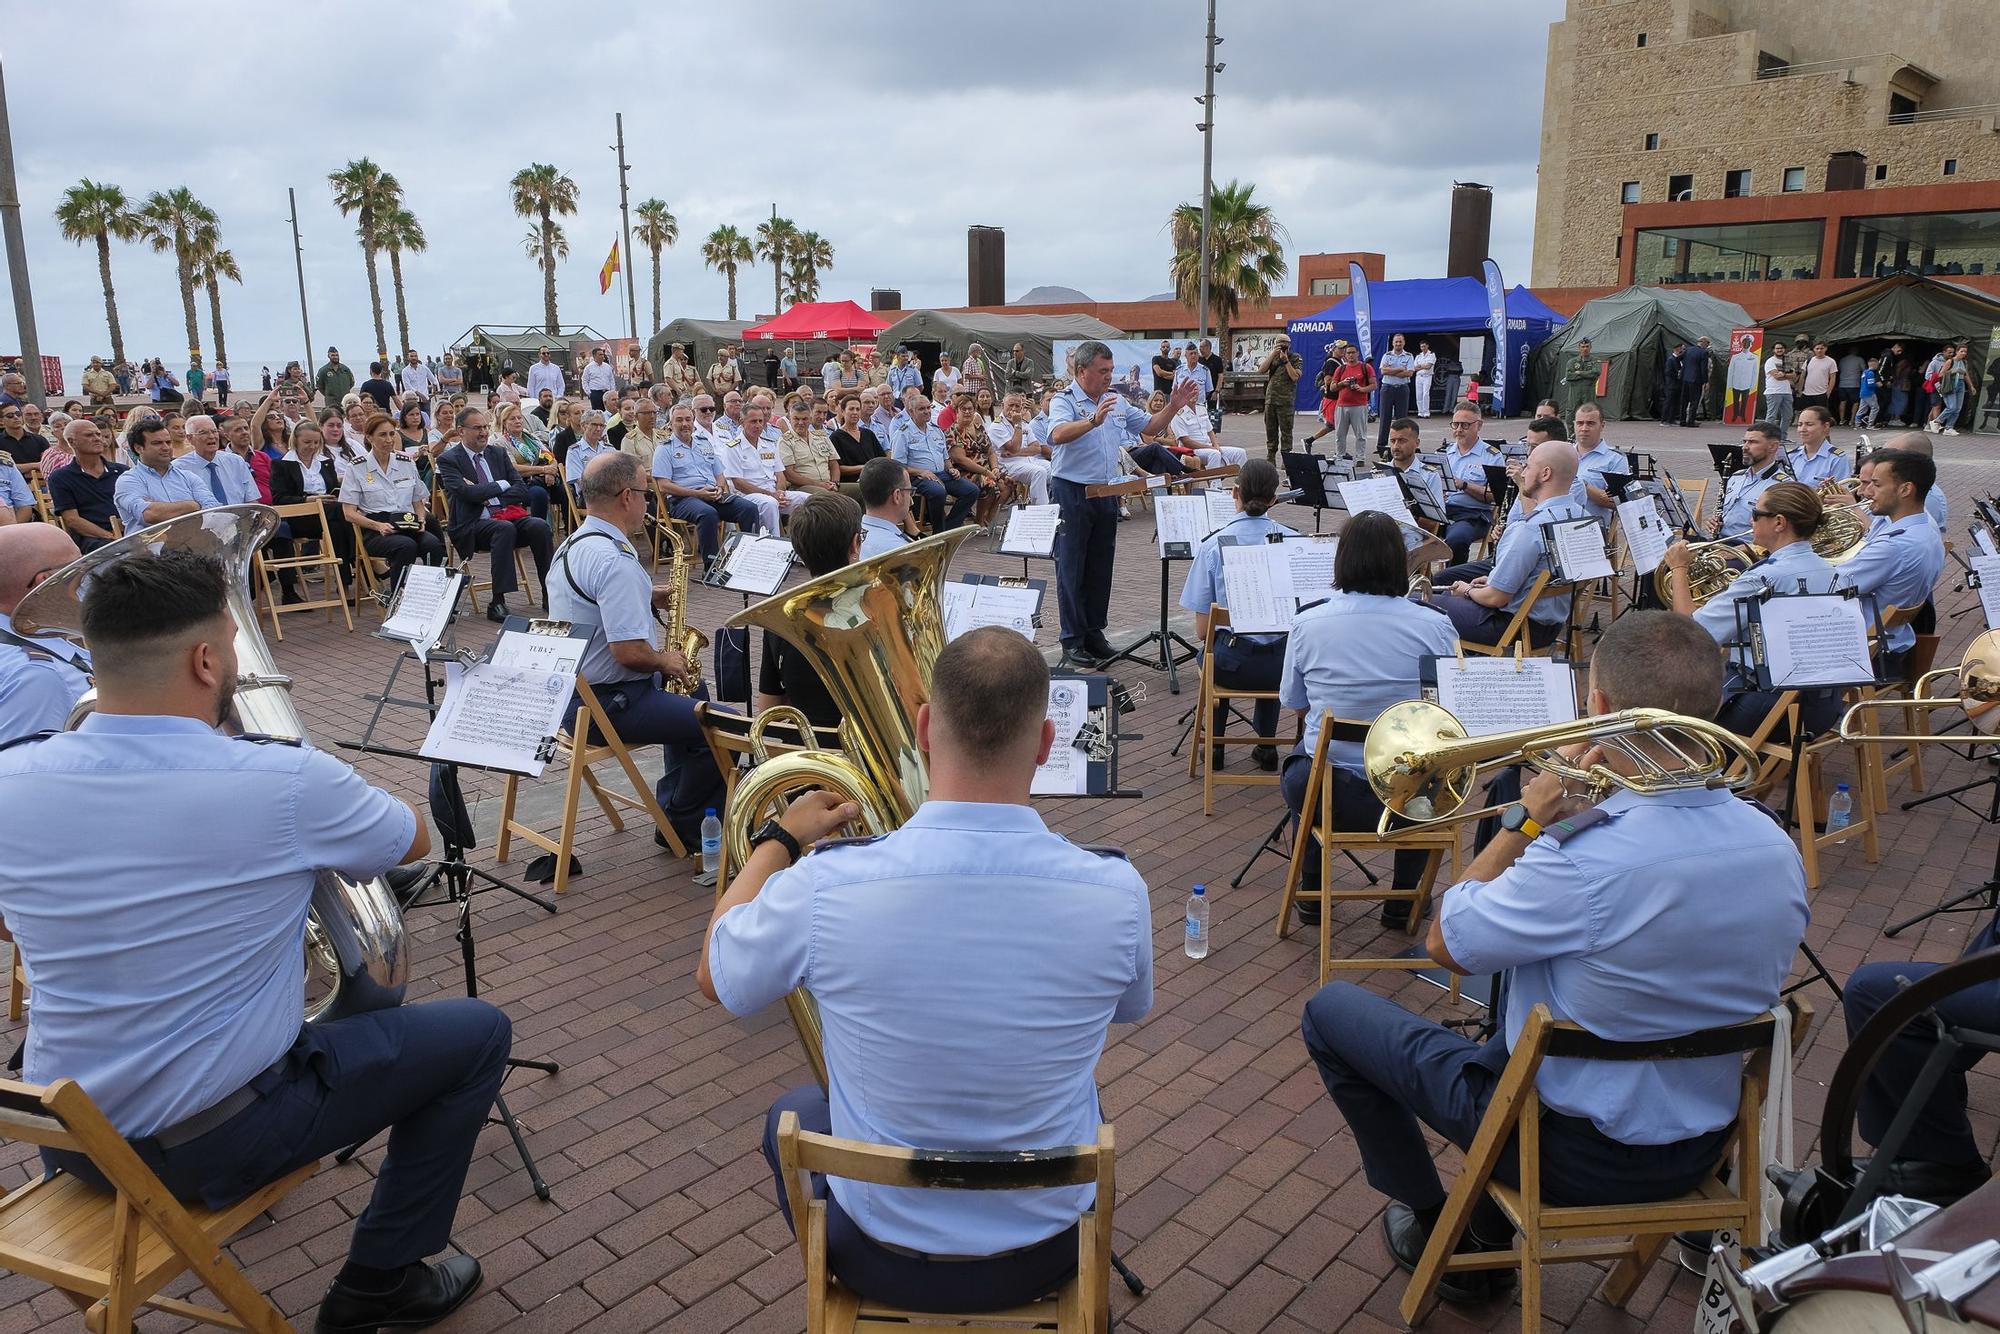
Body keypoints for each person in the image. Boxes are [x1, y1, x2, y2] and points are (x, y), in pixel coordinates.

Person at [0, 547, 502, 1332]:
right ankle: (382, 1281)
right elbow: (412, 840)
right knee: (478, 1034)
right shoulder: (280, 781)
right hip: (204, 1143)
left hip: (70, 1138)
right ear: (207, 659)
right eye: (233, 642)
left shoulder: (12, 780)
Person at [1301, 610, 1807, 1304]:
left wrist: (1524, 822)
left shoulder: (1582, 861)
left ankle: (1444, 1233)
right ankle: (1477, 1222)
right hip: (1699, 1147)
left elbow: (1446, 943)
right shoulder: (1777, 849)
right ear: (1712, 709)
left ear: (1597, 707)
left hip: (1560, 1151)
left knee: (1330, 1012)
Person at [699, 626, 1152, 1314]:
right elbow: (1129, 1007)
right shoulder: (1117, 890)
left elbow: (715, 972)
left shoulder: (827, 883)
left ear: (922, 728)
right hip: (1050, 1249)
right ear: (1045, 745)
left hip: (881, 1261)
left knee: (791, 1113)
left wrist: (778, 840)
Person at [1279, 511, 1458, 924]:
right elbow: (1443, 711)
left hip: (1326, 794)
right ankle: (1403, 902)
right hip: (1407, 798)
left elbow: (1295, 701)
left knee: (1303, 756)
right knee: (1436, 766)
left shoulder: (1308, 622)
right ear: (1399, 562)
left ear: (1342, 561)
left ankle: (1311, 891)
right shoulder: (1435, 625)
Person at [548, 452, 726, 849]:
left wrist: (645, 597)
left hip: (576, 700)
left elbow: (589, 607)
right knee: (723, 723)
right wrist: (666, 659)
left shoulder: (572, 546)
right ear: (627, 496)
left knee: (694, 692)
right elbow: (628, 653)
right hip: (610, 704)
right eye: (646, 493)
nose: (649, 503)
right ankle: (682, 821)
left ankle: (678, 808)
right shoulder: (615, 561)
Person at [1049, 342, 1198, 668]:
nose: (1108, 376)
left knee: (1100, 566)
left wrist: (1173, 406)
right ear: (1081, 371)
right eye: (1102, 371)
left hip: (1106, 491)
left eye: (1110, 370)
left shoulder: (1115, 401)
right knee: (1071, 566)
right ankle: (1072, 639)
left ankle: (1094, 633)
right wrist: (1092, 421)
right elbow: (1057, 434)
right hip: (1071, 491)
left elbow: (1149, 427)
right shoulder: (1065, 400)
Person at [1666, 481, 1840, 735]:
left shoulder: (1764, 578)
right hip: (1821, 708)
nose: (1751, 520)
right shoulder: (1832, 570)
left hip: (1764, 706)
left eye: (1757, 514)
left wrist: (1679, 569)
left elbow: (1691, 633)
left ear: (1779, 523)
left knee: (1664, 710)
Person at [1179, 460, 1295, 773]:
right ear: (1274, 499)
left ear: (1235, 493)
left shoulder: (1213, 545)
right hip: (1282, 670)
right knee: (1277, 641)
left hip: (1232, 666)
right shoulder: (1296, 541)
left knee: (1215, 650)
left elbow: (1203, 631)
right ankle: (1267, 745)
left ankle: (1215, 745)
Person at [1429, 441, 1588, 645]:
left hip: (1511, 628)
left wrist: (1466, 590)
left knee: (1421, 599)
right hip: (1550, 627)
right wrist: (1492, 580)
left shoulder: (1530, 527)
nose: (1523, 473)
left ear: (1545, 473)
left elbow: (1496, 599)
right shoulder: (1582, 517)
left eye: (1528, 466)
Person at [437, 408, 553, 624]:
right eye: (477, 428)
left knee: (539, 526)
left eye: (485, 427)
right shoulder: (449, 460)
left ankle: (549, 593)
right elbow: (464, 493)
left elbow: (521, 490)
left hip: (508, 516)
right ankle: (497, 601)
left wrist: (485, 493)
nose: (483, 433)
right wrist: (499, 485)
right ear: (461, 431)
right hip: (473, 524)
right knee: (503, 530)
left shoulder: (497, 453)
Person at [755, 492, 860, 730]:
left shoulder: (780, 619)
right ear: (855, 544)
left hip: (807, 758)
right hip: (870, 760)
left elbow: (768, 709)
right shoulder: (878, 610)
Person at [1839, 448, 1945, 674]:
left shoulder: (1895, 545)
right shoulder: (1927, 528)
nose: (1867, 493)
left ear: (1905, 489)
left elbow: (1832, 587)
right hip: (1892, 644)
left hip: (1866, 654)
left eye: (1876, 485)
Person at [0, 523, 91, 742]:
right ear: (46, 582)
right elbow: (26, 773)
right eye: (80, 571)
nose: (89, 582)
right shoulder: (41, 676)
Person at [340, 413, 446, 597]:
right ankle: (398, 599)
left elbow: (417, 501)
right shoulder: (357, 467)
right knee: (404, 546)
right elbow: (349, 513)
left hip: (407, 523)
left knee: (433, 545)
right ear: (369, 437)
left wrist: (421, 520)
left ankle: (434, 598)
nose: (389, 440)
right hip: (375, 528)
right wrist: (378, 525)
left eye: (391, 434)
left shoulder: (405, 463)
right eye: (382, 435)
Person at [654, 402, 761, 564]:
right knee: (708, 514)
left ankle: (749, 559)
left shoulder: (704, 443)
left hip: (712, 494)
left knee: (749, 508)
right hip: (683, 499)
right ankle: (711, 568)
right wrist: (697, 493)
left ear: (693, 421)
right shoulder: (664, 449)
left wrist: (719, 487)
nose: (684, 424)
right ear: (671, 423)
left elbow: (719, 474)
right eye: (679, 420)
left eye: (688, 419)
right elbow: (663, 486)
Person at [888, 395, 977, 533]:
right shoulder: (903, 433)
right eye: (921, 409)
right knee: (938, 492)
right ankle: (939, 531)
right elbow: (897, 466)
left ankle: (948, 529)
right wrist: (920, 472)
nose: (927, 411)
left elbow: (945, 457)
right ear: (911, 412)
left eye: (928, 407)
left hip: (942, 474)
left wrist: (951, 468)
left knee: (972, 490)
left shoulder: (936, 429)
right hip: (917, 477)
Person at [724, 402, 808, 536]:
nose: (757, 425)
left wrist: (780, 492)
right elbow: (738, 484)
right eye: (753, 421)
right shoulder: (733, 448)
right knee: (769, 504)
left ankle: (804, 542)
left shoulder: (769, 444)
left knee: (808, 500)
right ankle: (773, 545)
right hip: (747, 497)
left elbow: (780, 474)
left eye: (760, 421)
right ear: (742, 422)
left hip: (773, 493)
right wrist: (771, 495)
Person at [46, 419, 127, 553]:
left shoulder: (122, 471)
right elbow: (72, 520)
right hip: (93, 539)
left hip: (129, 531)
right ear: (72, 441)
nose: (97, 439)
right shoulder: (60, 478)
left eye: (98, 434)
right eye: (89, 435)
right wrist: (112, 537)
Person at [114, 415, 201, 533]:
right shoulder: (128, 481)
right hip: (149, 549)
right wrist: (193, 506)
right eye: (157, 443)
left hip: (194, 545)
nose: (166, 448)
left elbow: (212, 510)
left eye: (168, 442)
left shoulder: (188, 476)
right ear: (139, 448)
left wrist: (159, 507)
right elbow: (150, 515)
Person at [1437, 407, 1501, 564]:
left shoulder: (1492, 456)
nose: (1459, 430)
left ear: (1479, 425)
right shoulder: (1444, 453)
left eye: (1465, 425)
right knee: (1410, 532)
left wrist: (1465, 485)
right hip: (1443, 511)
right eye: (1455, 424)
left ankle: (1453, 583)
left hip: (1473, 515)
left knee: (1457, 540)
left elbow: (1496, 496)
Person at [1714, 422, 1794, 540]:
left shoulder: (1783, 486)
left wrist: (1744, 550)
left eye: (1753, 442)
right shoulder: (1736, 477)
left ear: (1773, 446)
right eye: (1744, 442)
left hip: (1751, 550)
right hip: (1721, 542)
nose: (1745, 447)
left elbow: (1782, 533)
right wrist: (1714, 522)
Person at [1567, 404, 1624, 529]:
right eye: (1580, 423)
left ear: (1602, 425)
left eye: (1590, 423)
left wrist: (1581, 484)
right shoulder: (1562, 453)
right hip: (1559, 524)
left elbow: (1618, 502)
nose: (1584, 428)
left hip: (1593, 530)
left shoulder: (1615, 459)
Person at [857, 458, 916, 559]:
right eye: (909, 491)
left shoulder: (849, 538)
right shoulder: (903, 551)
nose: (910, 497)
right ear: (897, 496)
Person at [1259, 337, 1303, 461]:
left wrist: (1286, 361)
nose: (1282, 346)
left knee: (1286, 431)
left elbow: (1295, 377)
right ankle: (1271, 456)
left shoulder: (1295, 358)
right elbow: (1261, 370)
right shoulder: (1272, 357)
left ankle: (1286, 457)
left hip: (1286, 401)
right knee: (1270, 430)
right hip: (1271, 400)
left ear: (1289, 345)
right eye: (1280, 344)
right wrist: (1274, 353)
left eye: (1285, 344)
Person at [1787, 405, 1852, 489]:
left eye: (1809, 424)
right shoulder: (1791, 456)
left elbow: (1842, 493)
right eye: (1800, 425)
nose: (1802, 429)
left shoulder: (1837, 459)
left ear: (1825, 426)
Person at [1377, 334, 1416, 450]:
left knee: (1402, 419)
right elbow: (1383, 371)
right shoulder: (1386, 355)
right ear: (1392, 343)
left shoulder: (1409, 356)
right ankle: (1381, 445)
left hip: (1402, 388)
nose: (1398, 344)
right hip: (1387, 388)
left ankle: (1401, 444)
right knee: (1384, 417)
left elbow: (1409, 373)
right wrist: (1399, 369)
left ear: (1404, 343)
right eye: (1396, 342)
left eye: (1400, 342)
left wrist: (1391, 370)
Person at [1557, 336, 1601, 426]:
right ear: (1579, 348)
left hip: (1588, 392)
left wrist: (1580, 373)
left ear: (1590, 348)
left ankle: (1588, 435)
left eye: (1587, 346)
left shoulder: (1594, 361)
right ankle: (1572, 436)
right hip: (1574, 392)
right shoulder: (1572, 362)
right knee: (1571, 413)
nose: (1585, 349)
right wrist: (1587, 374)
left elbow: (1596, 373)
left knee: (1589, 413)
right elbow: (1569, 376)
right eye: (1583, 347)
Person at [1762, 339, 1795, 441]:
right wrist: (1786, 375)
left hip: (1787, 392)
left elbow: (1794, 376)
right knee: (1771, 416)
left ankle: (1782, 438)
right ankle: (1766, 437)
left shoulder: (1787, 361)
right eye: (1777, 348)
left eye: (1781, 348)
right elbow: (1776, 376)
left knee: (1788, 416)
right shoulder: (1770, 361)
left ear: (1784, 349)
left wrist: (1783, 374)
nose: (1779, 350)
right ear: (1773, 350)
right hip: (1773, 392)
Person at [1681, 334, 1712, 428]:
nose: (1708, 346)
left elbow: (1684, 364)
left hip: (1685, 379)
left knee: (1684, 401)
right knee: (1694, 401)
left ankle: (1682, 421)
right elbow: (1704, 369)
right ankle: (1691, 421)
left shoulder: (1688, 350)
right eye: (1708, 343)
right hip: (1696, 380)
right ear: (1704, 343)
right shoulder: (1703, 353)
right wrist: (1706, 381)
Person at [581, 346, 616, 410]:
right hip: (595, 393)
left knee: (609, 411)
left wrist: (612, 391)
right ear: (594, 356)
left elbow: (611, 380)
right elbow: (584, 380)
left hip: (607, 393)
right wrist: (589, 393)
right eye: (600, 355)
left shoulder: (607, 367)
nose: (602, 356)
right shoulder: (589, 367)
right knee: (597, 413)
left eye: (603, 354)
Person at [1412, 339, 1437, 418]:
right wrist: (1423, 366)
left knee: (1425, 394)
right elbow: (1414, 368)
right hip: (1419, 376)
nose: (1423, 348)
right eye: (1421, 347)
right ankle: (1420, 412)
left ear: (1427, 346)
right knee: (1419, 394)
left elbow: (1428, 366)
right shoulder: (1418, 355)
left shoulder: (1431, 354)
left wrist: (1420, 366)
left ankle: (1426, 412)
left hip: (1427, 376)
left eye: (1424, 346)